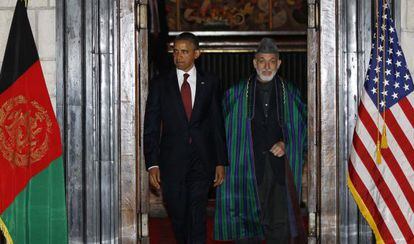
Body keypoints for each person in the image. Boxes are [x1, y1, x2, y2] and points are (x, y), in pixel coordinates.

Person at [214, 38, 307, 243]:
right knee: (247, 224)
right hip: (245, 169)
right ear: (254, 63)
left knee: (280, 224)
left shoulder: (291, 93)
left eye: (272, 61)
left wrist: (286, 143)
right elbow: (218, 132)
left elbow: (305, 129)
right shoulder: (235, 94)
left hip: (280, 170)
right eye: (262, 61)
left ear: (279, 64)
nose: (266, 66)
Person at [144, 32, 228, 244]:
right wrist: (152, 163)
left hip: (202, 160)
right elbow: (151, 126)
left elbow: (217, 123)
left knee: (198, 215)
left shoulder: (210, 82)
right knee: (178, 214)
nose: (178, 56)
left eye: (184, 51)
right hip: (172, 161)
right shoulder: (160, 84)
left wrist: (220, 161)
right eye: (175, 51)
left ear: (196, 54)